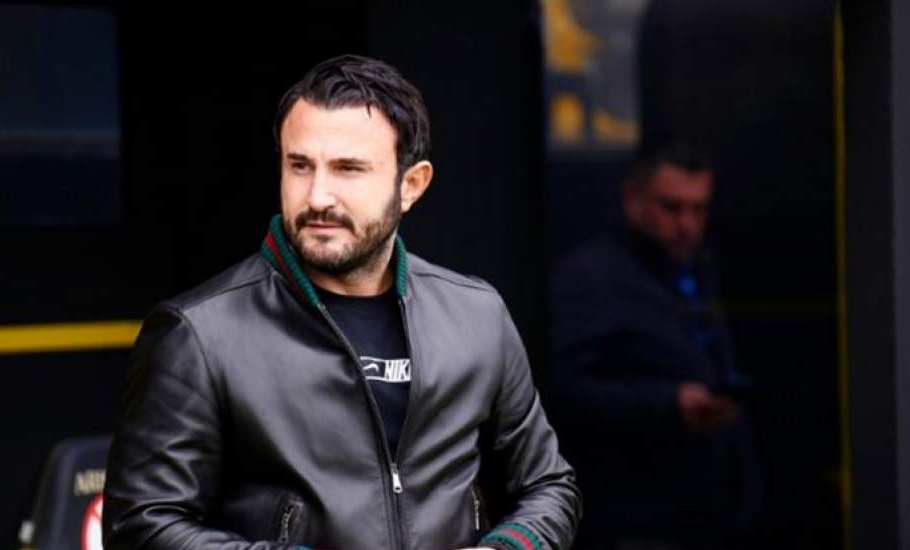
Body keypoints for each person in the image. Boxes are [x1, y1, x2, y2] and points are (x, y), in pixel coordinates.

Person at [103, 54, 580, 550]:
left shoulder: (476, 315)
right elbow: (140, 524)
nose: (318, 197)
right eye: (300, 166)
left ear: (411, 186)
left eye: (348, 169)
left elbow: (548, 487)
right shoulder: (199, 333)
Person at [547, 143, 761, 549]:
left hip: (704, 512)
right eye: (672, 207)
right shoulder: (590, 279)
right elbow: (560, 390)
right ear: (633, 199)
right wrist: (668, 404)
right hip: (631, 518)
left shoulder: (695, 270)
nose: (687, 224)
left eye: (698, 209)